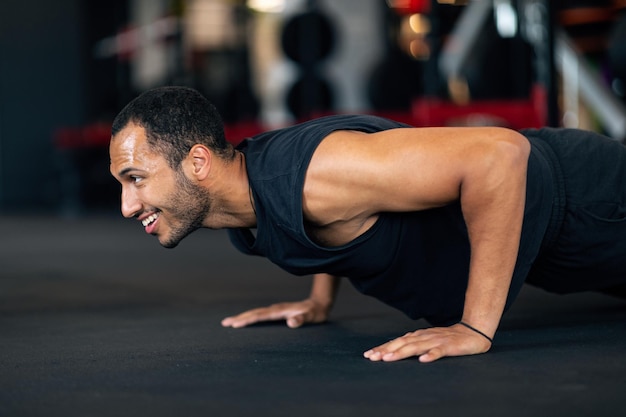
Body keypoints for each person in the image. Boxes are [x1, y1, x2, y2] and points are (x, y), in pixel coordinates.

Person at [109, 86, 626, 363]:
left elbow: (501, 157)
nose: (129, 206)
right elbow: (323, 219)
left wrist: (474, 328)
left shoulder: (314, 173)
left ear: (197, 163)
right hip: (559, 251)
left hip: (587, 199)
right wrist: (319, 300)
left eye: (136, 178)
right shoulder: (244, 203)